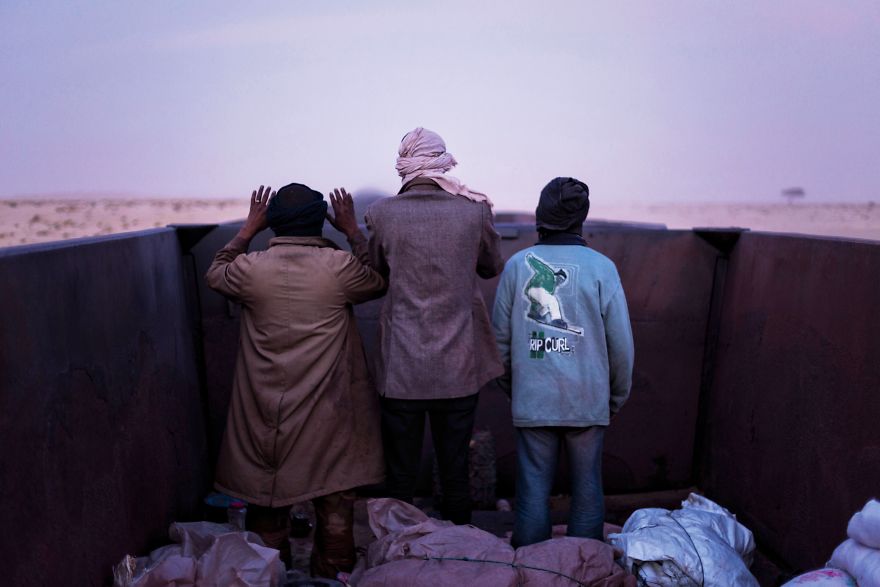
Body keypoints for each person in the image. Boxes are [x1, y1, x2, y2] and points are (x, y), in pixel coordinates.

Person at [205, 183, 386, 577]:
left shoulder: (250, 270)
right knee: (337, 522)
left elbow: (215, 273)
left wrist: (247, 230)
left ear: (272, 221)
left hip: (265, 422)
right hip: (330, 424)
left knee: (266, 526)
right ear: (320, 221)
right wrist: (353, 230)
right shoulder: (339, 269)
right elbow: (378, 279)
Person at [363, 127, 504, 525]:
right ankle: (458, 548)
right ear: (443, 159)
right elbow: (491, 267)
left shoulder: (382, 213)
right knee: (455, 467)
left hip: (402, 370)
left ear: (404, 162)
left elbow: (373, 272)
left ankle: (396, 553)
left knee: (401, 473)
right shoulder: (474, 210)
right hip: (459, 369)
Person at [491, 176, 634, 547]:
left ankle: (530, 573)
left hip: (533, 399)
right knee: (588, 492)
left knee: (532, 492)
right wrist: (612, 398)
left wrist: (516, 388)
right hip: (588, 399)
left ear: (541, 215)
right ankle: (583, 571)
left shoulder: (517, 266)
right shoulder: (603, 268)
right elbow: (621, 346)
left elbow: (499, 343)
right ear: (580, 218)